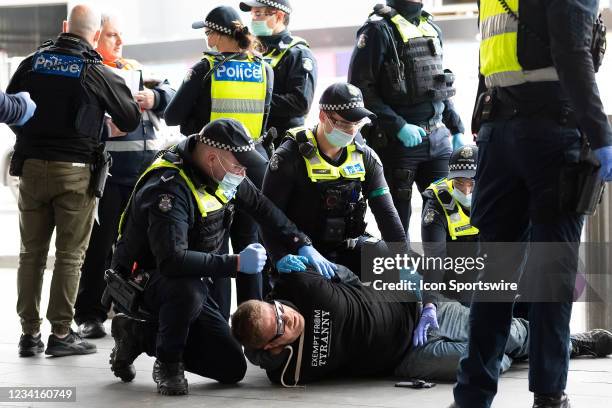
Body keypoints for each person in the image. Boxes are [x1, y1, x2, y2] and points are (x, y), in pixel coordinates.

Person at [449, 1, 612, 408]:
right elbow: (573, 54)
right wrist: (601, 134)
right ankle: (548, 396)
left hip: (498, 133)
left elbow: (487, 61)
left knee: (496, 272)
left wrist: (481, 125)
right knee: (552, 273)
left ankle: (472, 396)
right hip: (553, 135)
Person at [107, 118, 334, 396]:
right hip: (145, 279)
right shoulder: (168, 189)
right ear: (213, 158)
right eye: (238, 165)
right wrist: (236, 263)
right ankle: (168, 363)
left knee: (230, 367)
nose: (242, 172)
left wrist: (301, 243)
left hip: (195, 279)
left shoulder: (223, 172)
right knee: (186, 291)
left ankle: (139, 336)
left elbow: (262, 208)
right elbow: (171, 261)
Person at [5, 4, 141, 358]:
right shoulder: (94, 70)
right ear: (95, 36)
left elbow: (10, 107)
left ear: (66, 26)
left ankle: (28, 335)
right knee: (69, 257)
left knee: (30, 254)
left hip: (31, 169)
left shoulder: (32, 62)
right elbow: (129, 116)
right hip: (76, 173)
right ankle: (62, 333)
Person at [231, 267, 612, 386]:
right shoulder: (285, 367)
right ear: (271, 345)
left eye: (277, 310)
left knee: (508, 334)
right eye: (279, 326)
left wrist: (423, 297)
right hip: (408, 357)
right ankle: (523, 343)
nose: (287, 317)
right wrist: (267, 352)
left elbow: (350, 273)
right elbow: (253, 354)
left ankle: (573, 344)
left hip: (420, 310)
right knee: (491, 363)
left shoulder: (298, 286)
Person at [164, 5, 274, 319]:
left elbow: (172, 115)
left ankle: (220, 325)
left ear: (216, 35)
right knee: (249, 244)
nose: (206, 36)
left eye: (208, 31)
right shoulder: (264, 68)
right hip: (253, 163)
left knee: (217, 247)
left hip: (214, 169)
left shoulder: (205, 68)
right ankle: (256, 323)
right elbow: (264, 119)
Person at [74, 13, 176, 339]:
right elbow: (77, 123)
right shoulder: (89, 73)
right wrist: (105, 126)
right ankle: (91, 314)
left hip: (146, 175)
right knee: (100, 248)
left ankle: (133, 309)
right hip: (110, 176)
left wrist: (155, 98)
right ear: (95, 39)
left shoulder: (135, 69)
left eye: (121, 35)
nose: (119, 42)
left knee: (143, 248)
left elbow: (173, 94)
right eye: (111, 36)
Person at [262, 82, 407, 280]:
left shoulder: (365, 157)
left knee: (393, 272)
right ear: (323, 116)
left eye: (358, 124)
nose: (352, 130)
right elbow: (267, 216)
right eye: (345, 123)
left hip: (345, 246)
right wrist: (279, 256)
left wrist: (402, 259)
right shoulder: (290, 156)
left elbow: (387, 214)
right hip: (301, 251)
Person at [348, 0, 465, 241]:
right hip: (397, 144)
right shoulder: (377, 30)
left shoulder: (430, 26)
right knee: (397, 220)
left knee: (445, 213)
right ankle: (400, 273)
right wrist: (398, 126)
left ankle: (440, 273)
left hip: (438, 139)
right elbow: (360, 88)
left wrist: (456, 128)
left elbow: (438, 85)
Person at [239, 0, 317, 144]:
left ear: (279, 16)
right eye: (253, 14)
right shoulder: (249, 50)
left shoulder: (297, 53)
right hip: (251, 138)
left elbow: (300, 102)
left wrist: (254, 102)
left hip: (283, 143)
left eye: (258, 13)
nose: (253, 19)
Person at [420, 145, 479, 305]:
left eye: (472, 183)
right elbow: (435, 258)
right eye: (459, 183)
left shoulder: (495, 194)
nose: (466, 191)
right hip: (453, 273)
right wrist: (429, 302)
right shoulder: (437, 203)